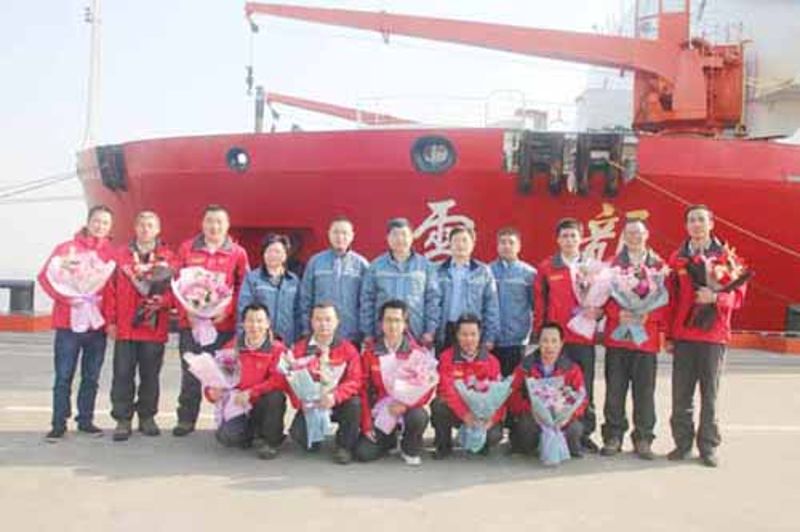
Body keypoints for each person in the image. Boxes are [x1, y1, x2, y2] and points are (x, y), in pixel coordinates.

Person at [666, 205, 748, 467]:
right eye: (691, 220)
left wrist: (716, 298)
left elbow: (739, 296)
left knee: (709, 394)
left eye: (701, 219)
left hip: (713, 335)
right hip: (684, 334)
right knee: (681, 393)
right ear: (685, 225)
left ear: (712, 223)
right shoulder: (677, 258)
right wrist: (669, 335)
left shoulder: (727, 257)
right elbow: (671, 299)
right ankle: (682, 443)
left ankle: (708, 446)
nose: (696, 224)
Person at [38, 205, 115, 441]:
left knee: (91, 377)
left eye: (105, 223)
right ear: (88, 222)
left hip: (96, 325)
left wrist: (110, 320)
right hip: (68, 324)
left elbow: (113, 291)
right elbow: (45, 277)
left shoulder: (111, 254)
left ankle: (85, 420)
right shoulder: (66, 249)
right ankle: (58, 423)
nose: (100, 226)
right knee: (64, 376)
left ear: (110, 227)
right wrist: (69, 298)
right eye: (97, 221)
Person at [173, 204, 250, 437]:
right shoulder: (187, 249)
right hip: (191, 324)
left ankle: (226, 420)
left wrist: (228, 311)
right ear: (202, 223)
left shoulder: (237, 253)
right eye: (209, 221)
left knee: (224, 374)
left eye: (219, 222)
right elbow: (175, 283)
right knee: (191, 371)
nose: (214, 226)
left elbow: (244, 287)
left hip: (222, 326)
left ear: (227, 226)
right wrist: (185, 310)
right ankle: (186, 419)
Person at [106, 211, 176, 441]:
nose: (146, 229)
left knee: (150, 375)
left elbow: (177, 290)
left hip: (153, 327)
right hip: (126, 327)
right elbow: (110, 290)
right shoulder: (120, 256)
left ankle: (147, 416)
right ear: (135, 228)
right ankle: (123, 419)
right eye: (142, 225)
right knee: (122, 374)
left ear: (158, 229)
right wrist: (111, 321)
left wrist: (163, 302)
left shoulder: (168, 257)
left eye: (150, 225)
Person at [600, 219, 667, 460]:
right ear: (623, 236)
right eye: (629, 233)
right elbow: (600, 297)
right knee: (614, 390)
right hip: (618, 338)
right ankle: (613, 436)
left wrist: (649, 315)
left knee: (644, 393)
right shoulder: (612, 265)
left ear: (646, 234)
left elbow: (667, 301)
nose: (634, 237)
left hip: (645, 340)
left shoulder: (659, 266)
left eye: (638, 232)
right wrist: (616, 313)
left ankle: (643, 438)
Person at [534, 218, 600, 453]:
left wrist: (598, 314)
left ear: (581, 238)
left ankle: (584, 433)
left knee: (584, 387)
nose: (569, 240)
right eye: (565, 236)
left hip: (583, 338)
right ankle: (555, 430)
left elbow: (601, 300)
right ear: (558, 240)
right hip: (556, 341)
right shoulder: (547, 267)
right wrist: (540, 334)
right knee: (555, 386)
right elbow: (540, 302)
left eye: (573, 235)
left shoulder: (591, 267)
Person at [281, 302, 363, 464]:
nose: (323, 324)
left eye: (328, 319)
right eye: (318, 319)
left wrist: (335, 396)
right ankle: (314, 435)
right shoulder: (300, 349)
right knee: (302, 440)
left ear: (337, 322)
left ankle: (344, 447)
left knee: (354, 403)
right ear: (311, 322)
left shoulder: (348, 349)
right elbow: (288, 380)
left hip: (337, 403)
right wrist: (300, 403)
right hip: (310, 405)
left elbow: (355, 381)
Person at [205, 303, 288, 459]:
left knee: (276, 396)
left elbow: (279, 381)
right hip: (238, 405)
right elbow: (216, 378)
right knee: (227, 438)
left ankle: (270, 442)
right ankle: (251, 432)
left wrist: (251, 392)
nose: (255, 326)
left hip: (261, 403)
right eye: (250, 321)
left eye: (259, 321)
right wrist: (212, 392)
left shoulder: (277, 349)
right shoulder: (231, 347)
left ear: (268, 323)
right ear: (243, 324)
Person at [355, 299, 432, 466]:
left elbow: (426, 390)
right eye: (388, 320)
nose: (392, 325)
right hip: (381, 411)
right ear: (381, 324)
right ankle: (389, 440)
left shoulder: (417, 352)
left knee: (419, 416)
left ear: (405, 324)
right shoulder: (370, 353)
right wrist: (367, 424)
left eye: (397, 320)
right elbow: (363, 390)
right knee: (363, 453)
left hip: (407, 409)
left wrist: (406, 405)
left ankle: (409, 446)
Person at [507, 322, 587, 460]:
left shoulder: (572, 368)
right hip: (534, 417)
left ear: (561, 343)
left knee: (575, 430)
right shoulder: (525, 366)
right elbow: (512, 394)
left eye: (554, 341)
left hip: (561, 418)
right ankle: (532, 446)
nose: (549, 346)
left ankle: (556, 445)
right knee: (526, 427)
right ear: (538, 342)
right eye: (545, 341)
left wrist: (567, 415)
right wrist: (532, 409)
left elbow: (582, 399)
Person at [430, 314, 505, 459]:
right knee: (439, 404)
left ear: (479, 335)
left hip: (482, 414)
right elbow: (446, 390)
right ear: (457, 335)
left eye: (473, 334)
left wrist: (492, 419)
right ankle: (443, 445)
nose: (469, 339)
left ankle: (479, 444)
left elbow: (500, 397)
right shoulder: (446, 357)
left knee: (494, 435)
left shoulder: (492, 361)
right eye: (464, 334)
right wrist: (465, 414)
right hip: (457, 411)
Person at [360, 217, 441, 347]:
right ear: (388, 238)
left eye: (404, 234)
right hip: (383, 333)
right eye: (395, 235)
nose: (400, 239)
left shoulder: (425, 266)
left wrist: (430, 331)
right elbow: (367, 300)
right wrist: (368, 332)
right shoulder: (376, 266)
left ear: (412, 237)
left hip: (416, 332)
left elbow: (433, 300)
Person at [300, 216, 368, 345]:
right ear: (329, 234)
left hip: (351, 335)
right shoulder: (315, 263)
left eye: (344, 233)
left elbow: (366, 302)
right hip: (320, 334)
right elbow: (305, 299)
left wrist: (366, 332)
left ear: (352, 236)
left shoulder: (361, 265)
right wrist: (306, 329)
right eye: (336, 232)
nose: (340, 237)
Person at [435, 225, 500, 353]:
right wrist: (432, 331)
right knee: (444, 364)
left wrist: (490, 336)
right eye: (456, 240)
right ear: (449, 244)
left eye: (465, 240)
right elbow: (432, 303)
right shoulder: (438, 270)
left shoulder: (483, 271)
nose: (460, 245)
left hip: (472, 331)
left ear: (472, 244)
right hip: (446, 330)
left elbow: (491, 306)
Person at [238, 233, 301, 346]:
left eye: (277, 252)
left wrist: (298, 340)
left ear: (285, 256)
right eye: (269, 251)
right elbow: (243, 310)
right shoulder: (252, 279)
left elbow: (298, 313)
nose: (273, 255)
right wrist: (242, 340)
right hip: (258, 341)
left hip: (287, 341)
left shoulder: (293, 281)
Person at [490, 227, 537, 377]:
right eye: (503, 242)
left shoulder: (529, 274)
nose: (507, 246)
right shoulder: (487, 271)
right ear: (497, 246)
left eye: (511, 242)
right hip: (491, 340)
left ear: (519, 246)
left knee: (515, 382)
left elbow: (535, 305)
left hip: (517, 340)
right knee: (491, 383)